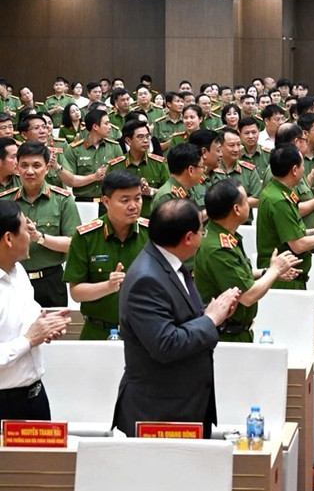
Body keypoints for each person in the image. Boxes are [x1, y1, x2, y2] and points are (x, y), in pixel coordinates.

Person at [112, 199, 242, 438]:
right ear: (188, 238)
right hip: (159, 411)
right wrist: (210, 319)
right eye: (202, 231)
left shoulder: (171, 264)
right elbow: (166, 343)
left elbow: (182, 319)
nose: (204, 235)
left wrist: (214, 314)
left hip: (186, 403)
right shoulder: (146, 279)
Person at [194, 180, 301, 342]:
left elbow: (237, 276)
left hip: (237, 332)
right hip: (225, 337)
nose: (249, 205)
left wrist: (267, 272)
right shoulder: (218, 248)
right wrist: (274, 270)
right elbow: (248, 296)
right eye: (245, 201)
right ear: (236, 209)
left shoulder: (224, 237)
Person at [0, 200, 71, 422]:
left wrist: (46, 326)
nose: (31, 235)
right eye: (25, 229)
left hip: (35, 396)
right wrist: (29, 340)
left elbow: (28, 314)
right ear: (8, 239)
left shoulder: (19, 271)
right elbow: (28, 337)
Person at [63, 170, 150, 339]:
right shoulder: (86, 237)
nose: (133, 205)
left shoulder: (152, 234)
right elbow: (76, 292)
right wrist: (108, 287)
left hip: (142, 332)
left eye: (138, 198)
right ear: (106, 201)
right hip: (98, 332)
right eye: (125, 200)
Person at [256, 145, 314, 290]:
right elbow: (298, 245)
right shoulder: (279, 200)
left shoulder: (280, 193)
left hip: (288, 276)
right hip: (283, 280)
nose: (304, 169)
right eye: (302, 165)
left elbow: (290, 232)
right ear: (294, 170)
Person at [0, 142, 81, 307]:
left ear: (47, 168)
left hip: (51, 281)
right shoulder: (4, 201)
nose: (30, 171)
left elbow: (74, 244)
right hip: (10, 280)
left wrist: (40, 238)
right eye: (24, 165)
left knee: (54, 331)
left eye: (36, 165)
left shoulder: (63, 200)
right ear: (17, 168)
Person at [107, 119, 169, 217]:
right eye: (140, 137)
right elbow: (108, 196)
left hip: (152, 220)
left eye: (147, 136)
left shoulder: (159, 164)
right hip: (124, 219)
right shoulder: (116, 166)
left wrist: (150, 191)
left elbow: (169, 193)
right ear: (128, 140)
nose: (145, 140)